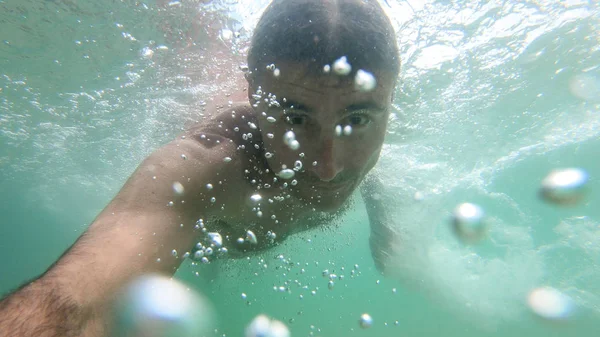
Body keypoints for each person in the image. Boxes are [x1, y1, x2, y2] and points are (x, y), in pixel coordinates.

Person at [0, 0, 400, 336]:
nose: (328, 168)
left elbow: (375, 176)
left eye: (358, 119)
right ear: (254, 94)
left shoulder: (366, 159)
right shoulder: (207, 165)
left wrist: (384, 230)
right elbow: (76, 306)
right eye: (295, 118)